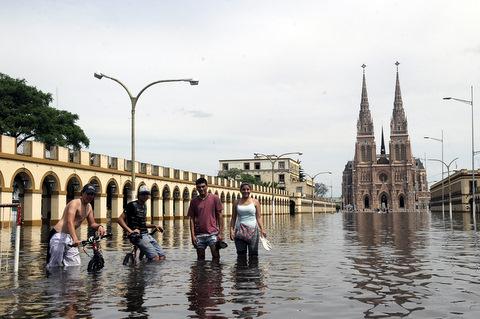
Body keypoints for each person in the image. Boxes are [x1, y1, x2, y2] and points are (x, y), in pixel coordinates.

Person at [46, 184, 106, 268]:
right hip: (58, 235)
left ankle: (70, 280)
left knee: (75, 264)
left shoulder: (89, 207)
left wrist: (99, 226)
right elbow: (69, 222)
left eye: (92, 194)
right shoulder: (75, 203)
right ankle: (52, 280)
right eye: (88, 193)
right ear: (82, 193)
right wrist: (75, 239)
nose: (90, 196)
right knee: (54, 265)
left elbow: (92, 223)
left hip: (70, 236)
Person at [118, 185, 165, 261]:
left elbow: (143, 224)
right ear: (139, 195)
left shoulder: (144, 206)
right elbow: (120, 220)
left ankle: (146, 269)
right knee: (155, 258)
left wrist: (155, 226)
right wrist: (130, 231)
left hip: (146, 235)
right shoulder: (132, 205)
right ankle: (148, 272)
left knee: (162, 256)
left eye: (147, 194)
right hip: (137, 235)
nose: (145, 196)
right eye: (143, 194)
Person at [188, 177, 224, 261]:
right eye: (199, 187)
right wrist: (192, 236)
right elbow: (191, 219)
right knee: (200, 259)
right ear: (196, 188)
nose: (201, 189)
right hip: (199, 235)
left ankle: (216, 274)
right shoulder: (194, 201)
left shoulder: (215, 198)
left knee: (216, 257)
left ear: (207, 186)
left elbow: (220, 215)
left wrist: (220, 233)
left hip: (213, 233)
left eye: (203, 186)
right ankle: (201, 274)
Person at [229, 182, 267, 258]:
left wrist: (262, 229)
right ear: (240, 190)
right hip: (239, 231)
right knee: (241, 255)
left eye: (247, 189)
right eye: (243, 189)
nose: (246, 191)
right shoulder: (236, 202)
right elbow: (233, 218)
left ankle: (253, 270)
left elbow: (259, 217)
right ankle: (241, 270)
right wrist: (231, 230)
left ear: (250, 190)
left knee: (253, 255)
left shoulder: (255, 202)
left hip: (253, 231)